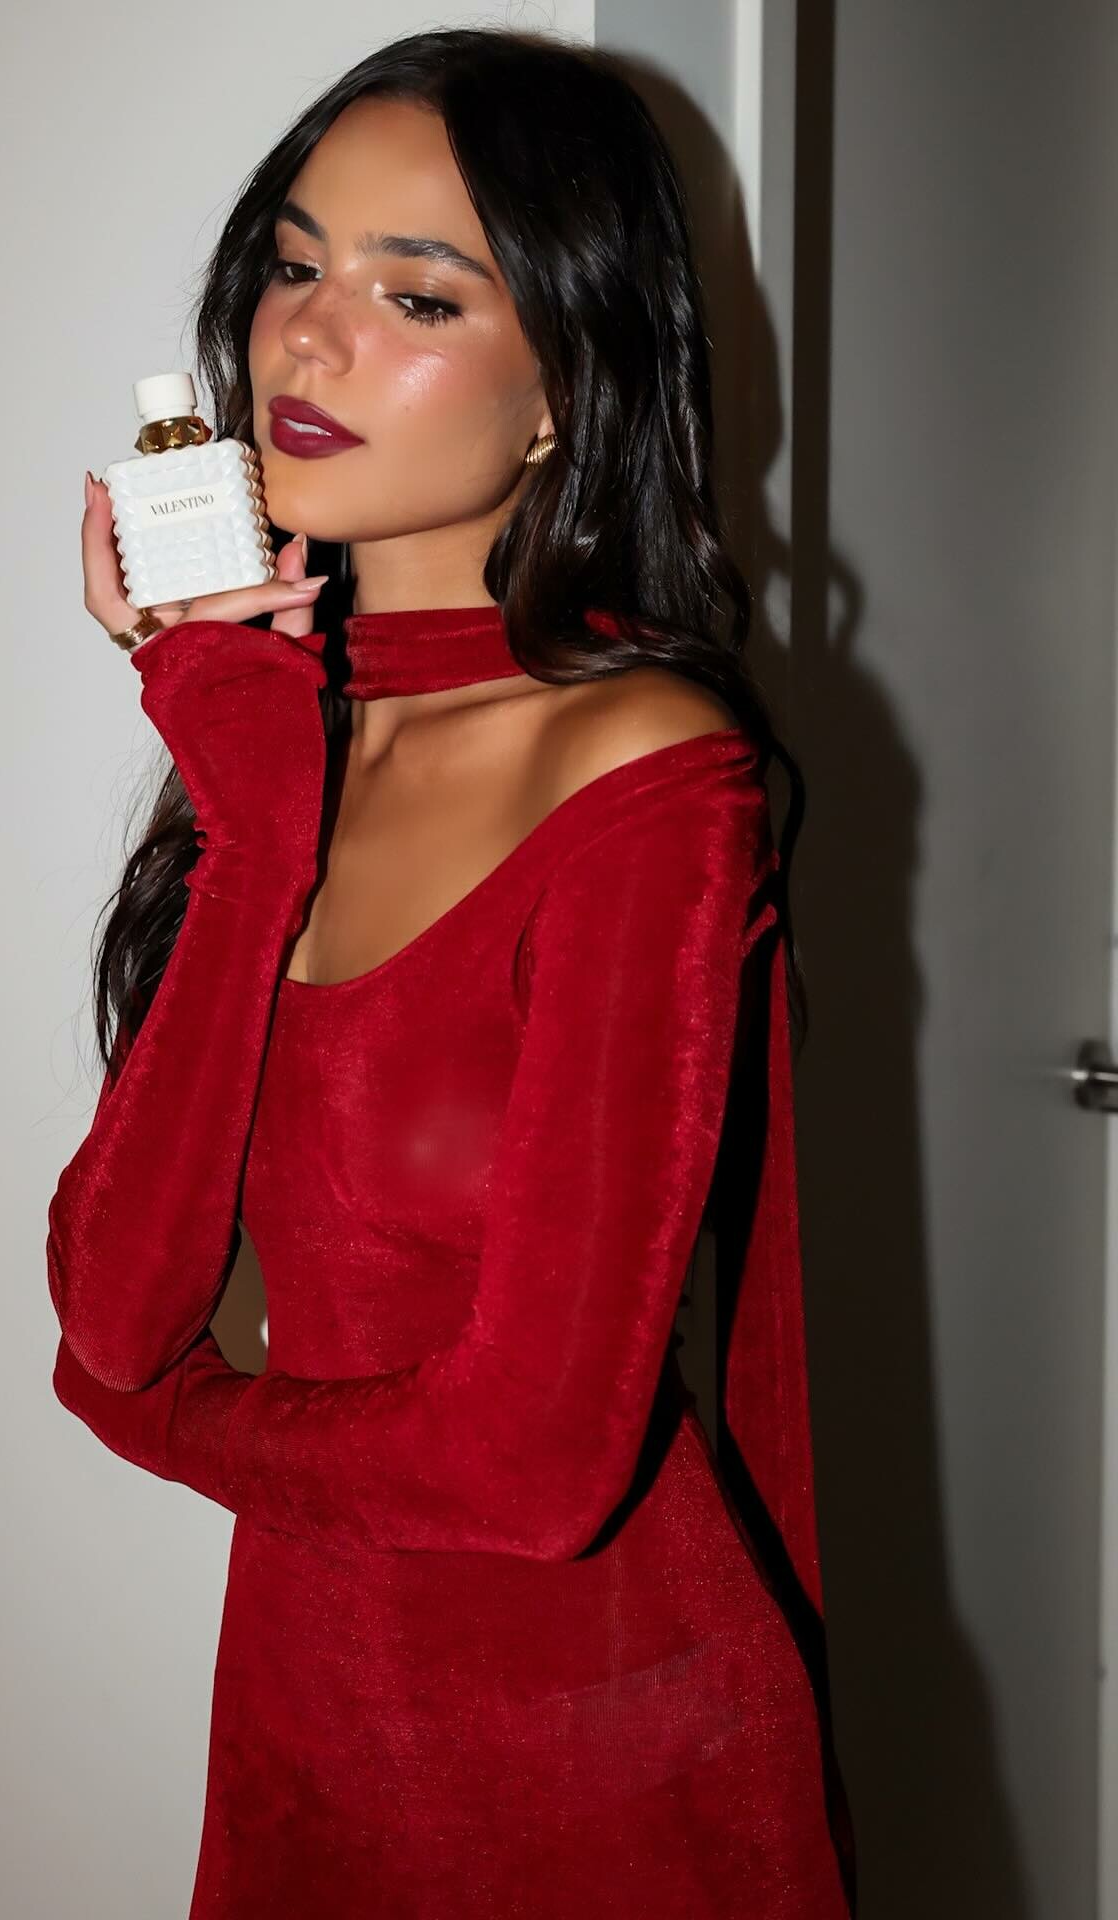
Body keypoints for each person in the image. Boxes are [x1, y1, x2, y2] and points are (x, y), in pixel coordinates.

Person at [48, 26, 857, 1917]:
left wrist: (176, 1424)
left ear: (567, 386)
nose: (308, 340)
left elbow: (533, 1464)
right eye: (295, 264)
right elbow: (116, 1305)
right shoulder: (282, 742)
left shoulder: (645, 770)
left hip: (599, 1765)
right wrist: (250, 834)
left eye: (417, 294)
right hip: (305, 1731)